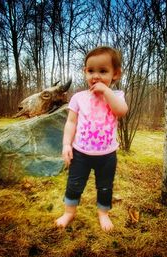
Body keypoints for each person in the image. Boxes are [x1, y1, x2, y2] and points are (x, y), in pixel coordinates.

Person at [55, 46, 128, 232]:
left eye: (103, 71)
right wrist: (66, 145)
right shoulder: (78, 97)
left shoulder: (116, 96)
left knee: (105, 186)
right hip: (80, 153)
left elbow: (121, 111)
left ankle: (103, 213)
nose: (96, 75)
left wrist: (106, 91)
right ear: (85, 72)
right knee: (74, 184)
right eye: (91, 71)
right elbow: (71, 123)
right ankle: (69, 212)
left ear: (116, 74)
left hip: (107, 155)